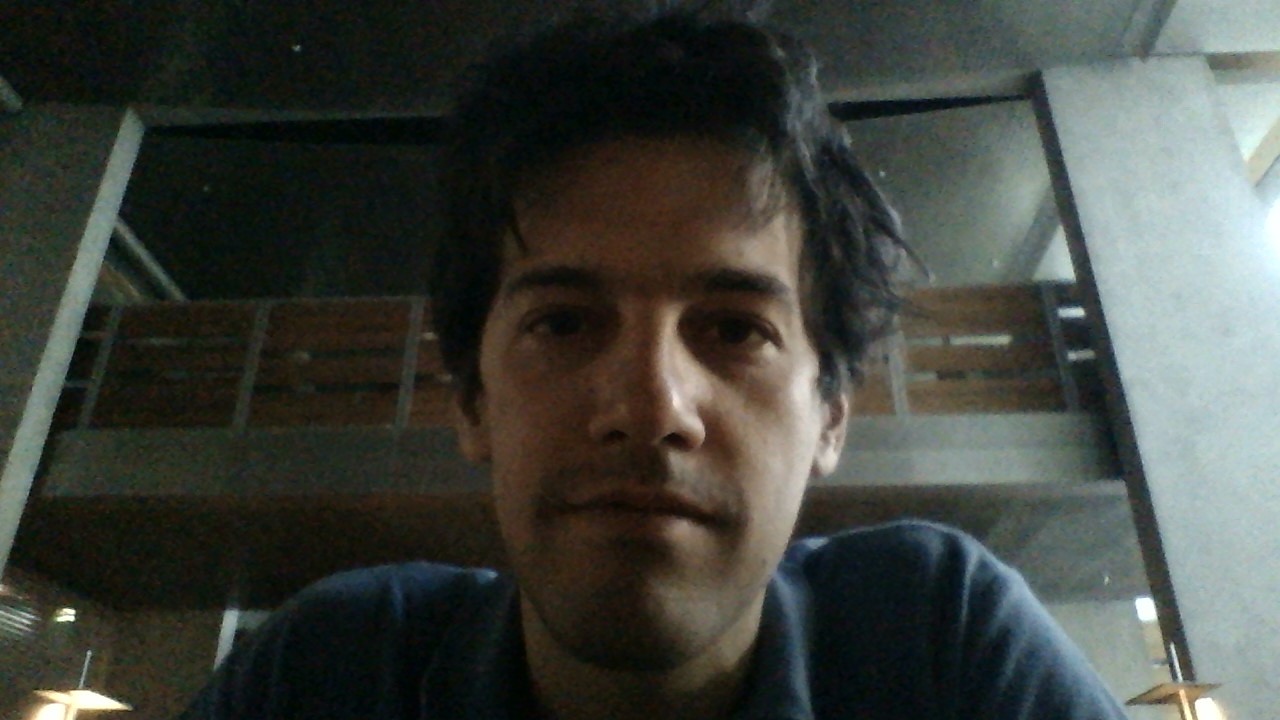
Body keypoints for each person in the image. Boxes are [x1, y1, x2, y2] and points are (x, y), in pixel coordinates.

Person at [180, 7, 1129, 720]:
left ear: (832, 411)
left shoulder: (943, 645)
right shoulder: (331, 672)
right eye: (563, 323)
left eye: (735, 330)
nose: (649, 405)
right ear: (471, 399)